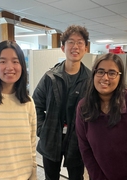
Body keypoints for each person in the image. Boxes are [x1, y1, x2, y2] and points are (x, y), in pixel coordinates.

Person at [75, 53, 127, 180]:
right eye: (100, 71)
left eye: (112, 73)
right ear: (94, 74)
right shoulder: (84, 107)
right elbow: (85, 149)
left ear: (120, 77)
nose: (105, 77)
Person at [32, 25, 91, 180]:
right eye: (71, 42)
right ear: (63, 47)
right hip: (51, 137)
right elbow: (35, 104)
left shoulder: (91, 80)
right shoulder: (50, 77)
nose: (75, 46)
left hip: (77, 141)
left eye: (80, 42)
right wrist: (42, 129)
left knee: (76, 177)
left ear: (86, 48)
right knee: (51, 177)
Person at [0, 40, 37, 179]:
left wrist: (33, 174)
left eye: (15, 61)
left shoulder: (28, 102)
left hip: (23, 175)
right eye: (2, 61)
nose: (10, 67)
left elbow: (31, 142)